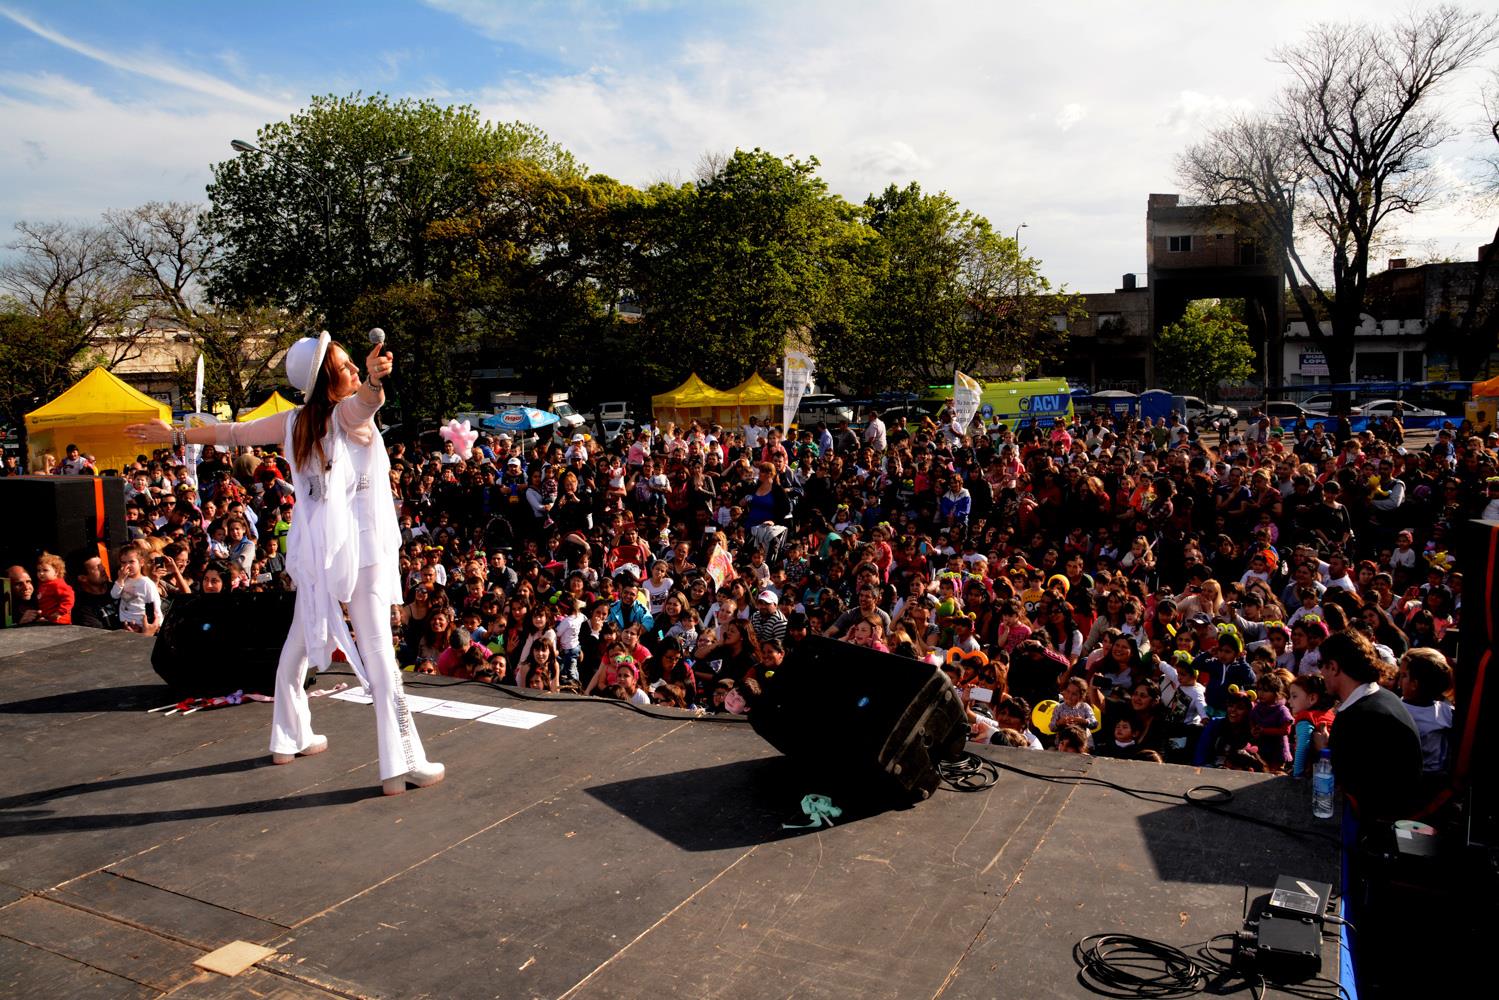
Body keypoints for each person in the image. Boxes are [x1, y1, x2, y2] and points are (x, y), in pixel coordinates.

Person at [129, 333, 442, 796]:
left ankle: (288, 736)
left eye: (358, 366)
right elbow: (365, 405)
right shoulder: (344, 414)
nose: (356, 369)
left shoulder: (293, 422)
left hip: (315, 551)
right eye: (347, 366)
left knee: (297, 644)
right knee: (379, 656)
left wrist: (176, 434)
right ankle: (401, 765)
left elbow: (231, 433)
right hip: (362, 553)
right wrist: (375, 384)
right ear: (327, 379)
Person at [1314, 630, 1422, 820]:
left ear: (1334, 667)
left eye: (1321, 665)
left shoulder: (1358, 718)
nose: (1320, 672)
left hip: (1373, 827)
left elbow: (1343, 784)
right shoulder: (1385, 698)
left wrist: (1324, 751)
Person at [33, 552, 75, 625]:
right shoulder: (43, 584)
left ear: (56, 572)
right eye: (39, 570)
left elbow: (69, 599)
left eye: (45, 570)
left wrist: (59, 613)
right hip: (49, 620)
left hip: (60, 621)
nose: (41, 573)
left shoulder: (58, 584)